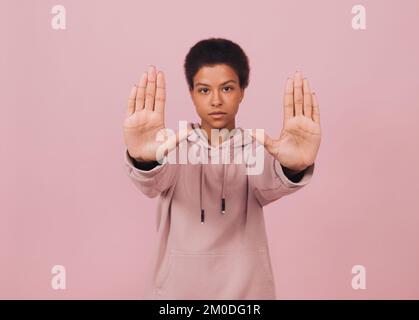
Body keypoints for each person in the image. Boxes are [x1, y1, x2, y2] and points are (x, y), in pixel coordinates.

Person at [123, 38, 321, 299]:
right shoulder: (173, 148)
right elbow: (152, 182)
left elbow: (271, 182)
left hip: (247, 294)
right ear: (191, 93)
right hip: (178, 294)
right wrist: (145, 159)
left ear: (242, 91)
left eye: (227, 88)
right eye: (204, 90)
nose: (216, 100)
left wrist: (294, 166)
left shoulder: (256, 149)